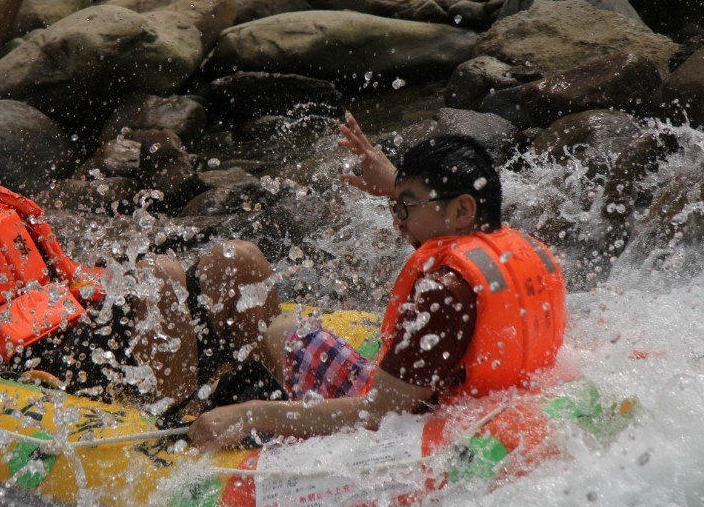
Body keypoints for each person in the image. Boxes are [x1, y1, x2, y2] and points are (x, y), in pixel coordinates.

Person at [0, 0, 281, 416]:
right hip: (46, 363)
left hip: (93, 327)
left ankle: (256, 386)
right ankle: (172, 422)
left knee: (236, 258)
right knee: (159, 272)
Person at [188, 114, 567, 448]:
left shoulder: (442, 292)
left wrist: (251, 414)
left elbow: (377, 414)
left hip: (415, 431)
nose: (396, 221)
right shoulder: (521, 252)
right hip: (479, 408)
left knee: (283, 331)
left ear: (462, 209)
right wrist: (397, 186)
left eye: (405, 207)